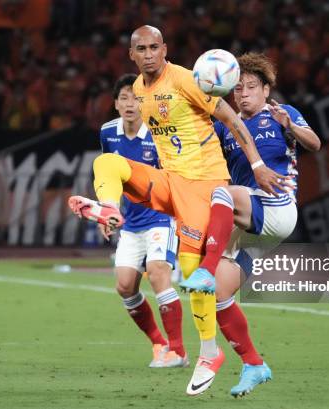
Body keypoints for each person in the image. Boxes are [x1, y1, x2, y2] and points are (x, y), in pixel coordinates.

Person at [68, 26, 288, 396]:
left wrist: (256, 165)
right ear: (132, 55)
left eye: (155, 47)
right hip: (172, 181)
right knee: (108, 163)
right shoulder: (139, 90)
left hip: (205, 187)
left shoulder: (189, 80)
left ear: (165, 49)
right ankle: (108, 207)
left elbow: (232, 121)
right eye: (142, 48)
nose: (150, 53)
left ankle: (211, 353)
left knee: (194, 274)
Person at [180, 52, 321, 396]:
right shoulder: (225, 127)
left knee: (222, 194)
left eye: (251, 87)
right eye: (238, 89)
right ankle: (254, 364)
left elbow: (315, 144)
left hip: (277, 208)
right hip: (251, 226)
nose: (243, 94)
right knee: (219, 296)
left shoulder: (280, 115)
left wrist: (292, 126)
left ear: (266, 89)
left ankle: (205, 266)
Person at [97, 73, 186, 368]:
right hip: (132, 224)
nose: (130, 103)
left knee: (158, 272)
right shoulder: (108, 133)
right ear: (116, 104)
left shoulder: (159, 134)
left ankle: (178, 351)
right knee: (124, 286)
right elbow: (111, 176)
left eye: (135, 97)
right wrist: (106, 212)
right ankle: (159, 344)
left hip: (162, 218)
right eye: (124, 98)